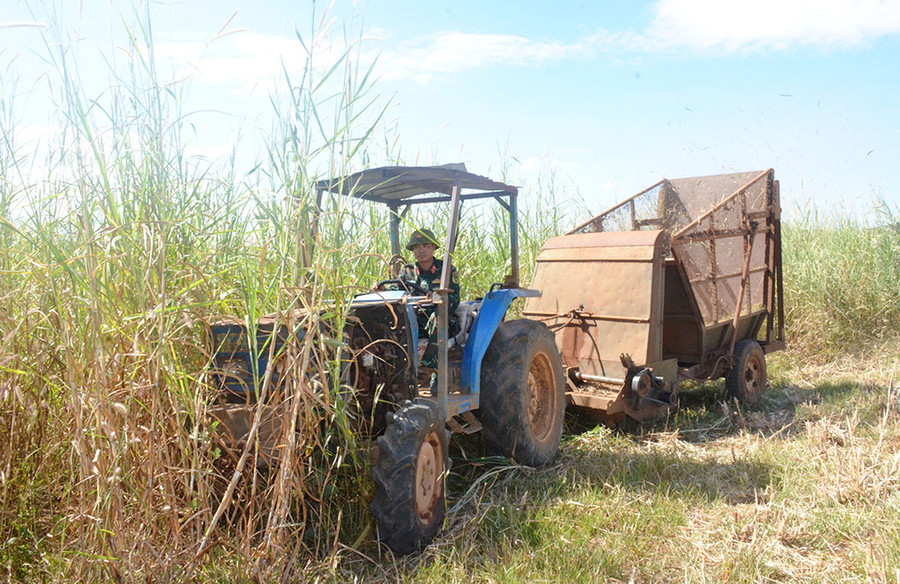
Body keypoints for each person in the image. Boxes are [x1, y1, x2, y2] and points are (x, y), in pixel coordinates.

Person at [397, 229, 461, 369]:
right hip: (415, 319)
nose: (421, 250)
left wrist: (436, 297)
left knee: (437, 319)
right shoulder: (407, 271)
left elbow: (454, 299)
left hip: (442, 317)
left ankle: (428, 367)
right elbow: (395, 292)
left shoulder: (446, 270)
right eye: (417, 247)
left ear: (433, 247)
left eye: (425, 246)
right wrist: (380, 290)